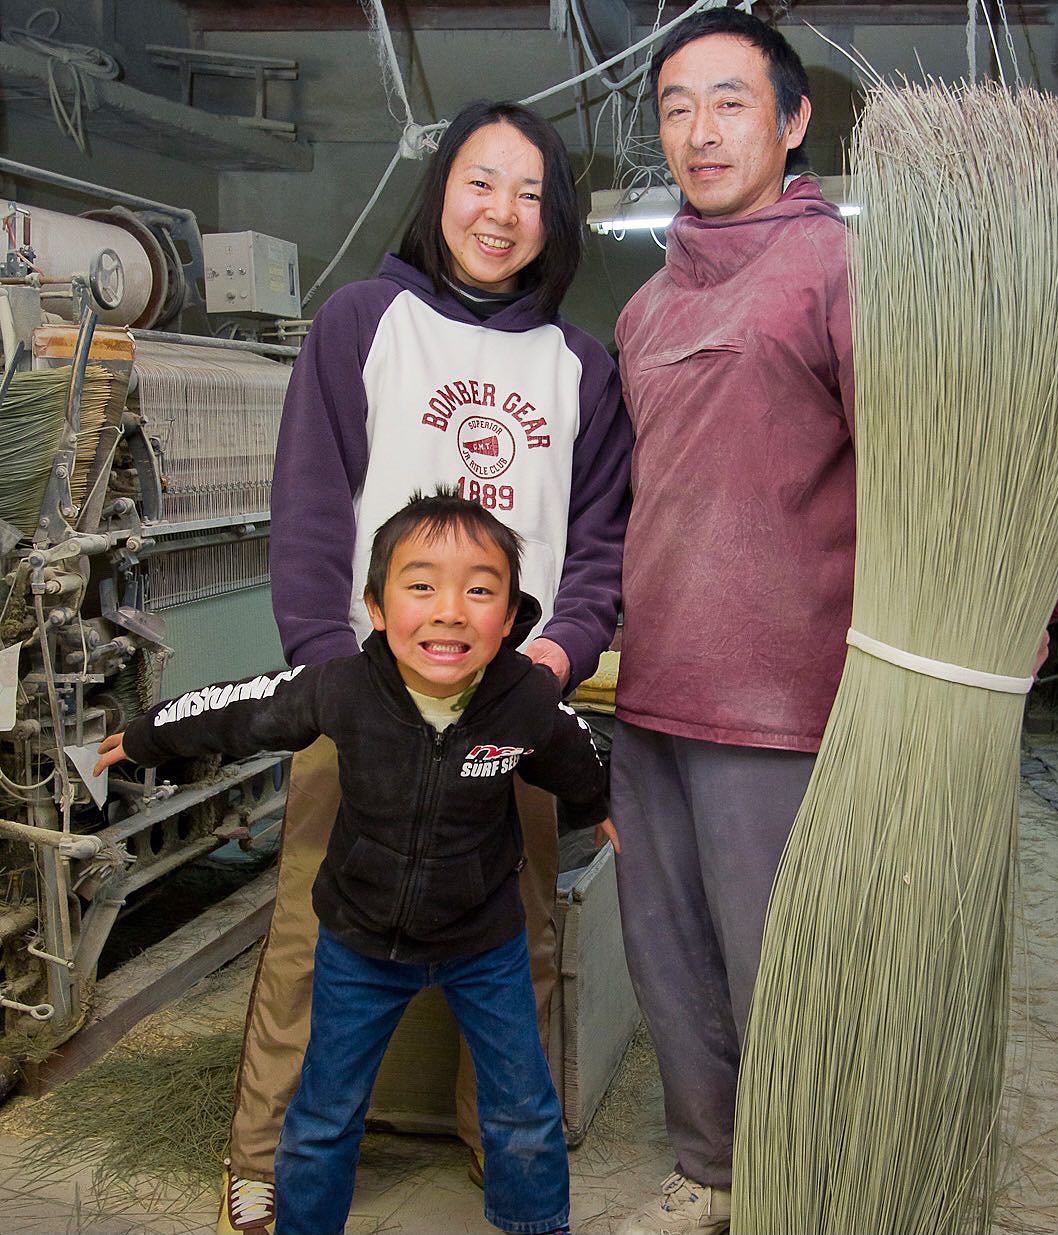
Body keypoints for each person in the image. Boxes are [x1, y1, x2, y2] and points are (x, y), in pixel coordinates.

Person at [216, 101, 631, 1234]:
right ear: (440, 188)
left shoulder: (579, 366)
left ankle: (499, 1149)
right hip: (369, 690)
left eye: (531, 194)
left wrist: (555, 656)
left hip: (507, 701)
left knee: (518, 936)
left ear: (558, 220)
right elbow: (308, 509)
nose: (502, 213)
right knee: (310, 927)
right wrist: (326, 675)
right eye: (480, 183)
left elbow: (597, 543)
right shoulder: (363, 320)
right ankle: (262, 1159)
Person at [96, 493, 619, 1235]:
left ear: (508, 618)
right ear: (376, 607)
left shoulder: (525, 699)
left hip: (486, 946)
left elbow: (571, 751)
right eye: (421, 586)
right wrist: (148, 734)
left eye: (478, 589)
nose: (449, 610)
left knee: (524, 1108)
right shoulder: (342, 688)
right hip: (361, 945)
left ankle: (536, 1223)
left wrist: (603, 802)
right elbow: (243, 708)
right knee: (324, 1111)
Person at [609, 12, 852, 1235]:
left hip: (778, 696)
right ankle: (708, 1169)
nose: (699, 131)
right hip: (651, 681)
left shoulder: (835, 273)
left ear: (792, 121)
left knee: (782, 968)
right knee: (665, 953)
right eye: (673, 106)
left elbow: (909, 480)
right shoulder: (645, 309)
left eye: (729, 101)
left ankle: (803, 1180)